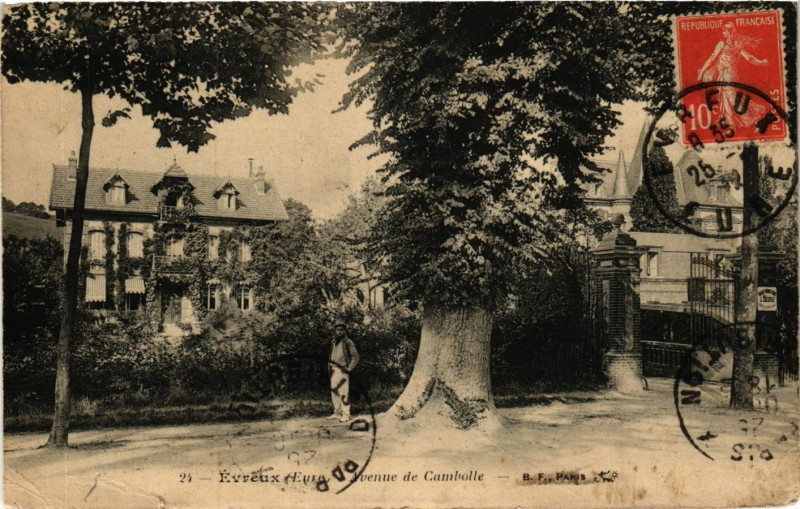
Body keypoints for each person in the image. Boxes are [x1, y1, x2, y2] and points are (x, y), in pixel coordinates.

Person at [696, 22, 769, 128]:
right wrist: (760, 62)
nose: (723, 33)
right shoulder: (737, 43)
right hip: (731, 73)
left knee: (730, 98)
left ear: (729, 31)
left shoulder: (723, 44)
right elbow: (749, 57)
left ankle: (748, 116)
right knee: (727, 97)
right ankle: (730, 122)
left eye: (724, 31)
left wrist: (702, 72)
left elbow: (711, 59)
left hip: (727, 73)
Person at [327, 321, 360, 422]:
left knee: (344, 392)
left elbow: (355, 356)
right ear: (335, 331)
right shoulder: (333, 341)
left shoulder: (348, 342)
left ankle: (346, 414)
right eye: (337, 329)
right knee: (334, 391)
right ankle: (337, 412)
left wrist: (349, 368)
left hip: (343, 369)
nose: (339, 331)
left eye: (341, 330)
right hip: (333, 369)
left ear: (345, 331)